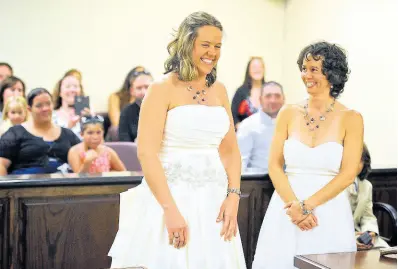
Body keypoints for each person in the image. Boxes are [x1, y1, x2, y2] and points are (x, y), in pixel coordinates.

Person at [108, 11, 246, 269]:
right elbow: (147, 153)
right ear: (186, 44)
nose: (212, 52)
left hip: (214, 200)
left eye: (218, 46)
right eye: (205, 45)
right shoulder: (162, 88)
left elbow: (230, 151)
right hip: (171, 197)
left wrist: (233, 196)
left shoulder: (220, 90)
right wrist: (169, 210)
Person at [252, 41, 363, 269]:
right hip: (286, 208)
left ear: (332, 73)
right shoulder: (288, 112)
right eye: (304, 68)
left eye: (314, 69)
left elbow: (349, 173)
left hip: (329, 210)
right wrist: (295, 207)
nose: (306, 75)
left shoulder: (351, 118)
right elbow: (274, 165)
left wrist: (307, 206)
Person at [0, 88, 80, 175]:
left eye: (48, 104)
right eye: (39, 106)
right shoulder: (14, 133)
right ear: (29, 109)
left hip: (63, 185)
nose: (45, 108)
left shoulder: (68, 135)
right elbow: (1, 164)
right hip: (24, 186)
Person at [347, 144, 389, 250]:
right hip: (340, 237)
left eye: (359, 160)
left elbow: (367, 215)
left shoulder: (366, 186)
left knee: (386, 251)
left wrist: (370, 232)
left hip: (360, 235)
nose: (355, 164)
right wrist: (350, 239)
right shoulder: (332, 185)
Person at [237, 81, 285, 174]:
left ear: (284, 99)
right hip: (258, 184)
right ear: (260, 99)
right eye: (268, 96)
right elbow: (240, 166)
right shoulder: (248, 126)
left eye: (277, 96)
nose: (273, 100)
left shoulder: (292, 125)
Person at [52, 69, 92, 139]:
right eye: (68, 86)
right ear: (60, 92)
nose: (72, 90)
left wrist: (91, 121)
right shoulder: (52, 117)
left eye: (75, 86)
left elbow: (100, 144)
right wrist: (69, 128)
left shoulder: (88, 114)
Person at [118, 70, 153, 142]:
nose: (143, 92)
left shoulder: (163, 107)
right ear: (132, 91)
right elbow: (124, 141)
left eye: (147, 87)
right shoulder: (126, 111)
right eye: (139, 88)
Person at [231, 57, 266, 128]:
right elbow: (232, 115)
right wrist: (241, 128)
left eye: (260, 67)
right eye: (254, 67)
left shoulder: (270, 90)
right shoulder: (240, 91)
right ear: (248, 70)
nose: (257, 69)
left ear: (264, 69)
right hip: (244, 135)